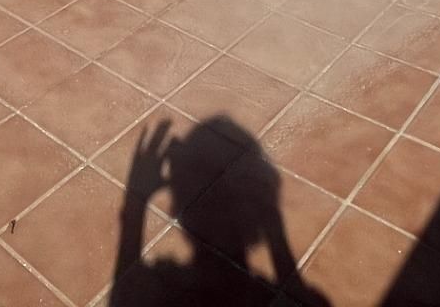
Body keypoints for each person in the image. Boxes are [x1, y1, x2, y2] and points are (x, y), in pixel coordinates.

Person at [111, 116, 331, 306]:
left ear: (179, 209)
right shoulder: (265, 299)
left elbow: (123, 298)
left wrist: (135, 204)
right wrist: (275, 232)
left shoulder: (159, 294)